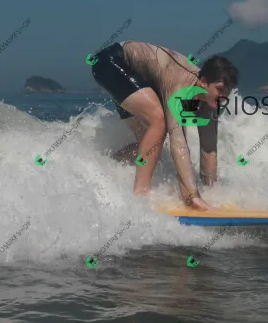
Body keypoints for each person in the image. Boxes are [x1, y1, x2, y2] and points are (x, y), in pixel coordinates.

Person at [90, 41, 238, 211]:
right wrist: (192, 196)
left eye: (227, 93)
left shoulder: (209, 101)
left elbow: (209, 146)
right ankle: (140, 196)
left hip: (138, 78)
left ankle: (105, 166)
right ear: (203, 82)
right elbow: (178, 140)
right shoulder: (181, 85)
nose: (223, 97)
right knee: (158, 122)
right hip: (111, 62)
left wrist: (212, 192)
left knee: (150, 145)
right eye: (220, 90)